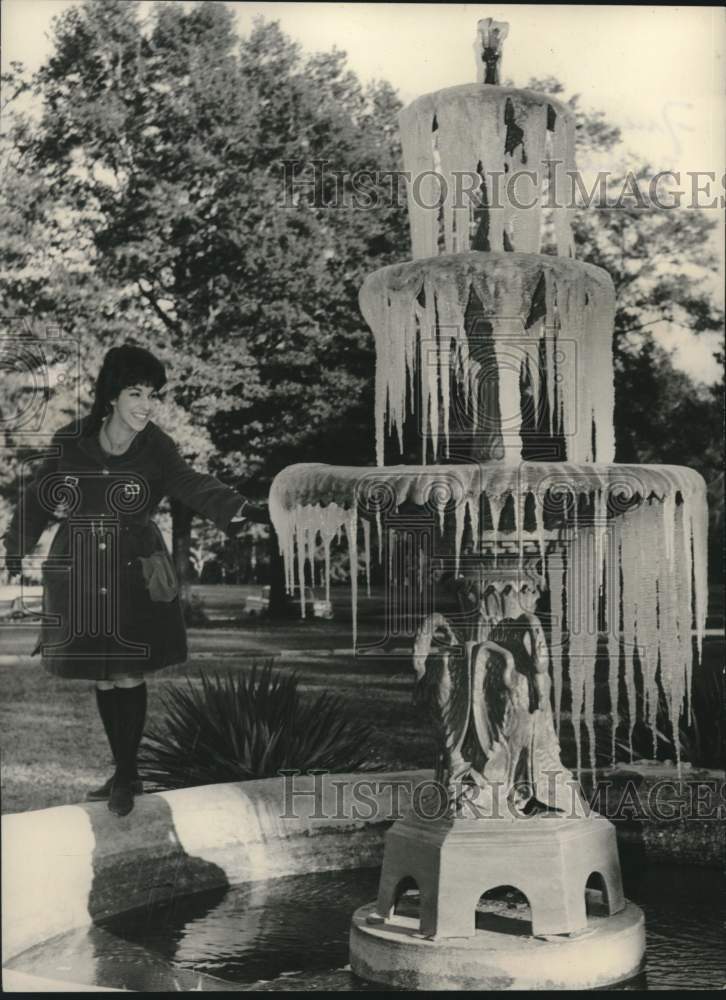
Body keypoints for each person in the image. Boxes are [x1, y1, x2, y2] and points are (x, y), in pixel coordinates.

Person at [3, 344, 269, 817]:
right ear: (112, 396)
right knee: (105, 677)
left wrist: (240, 508)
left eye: (153, 395)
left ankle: (127, 774)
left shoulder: (157, 446)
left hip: (135, 569)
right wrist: (13, 547)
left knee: (127, 669)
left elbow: (191, 483)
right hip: (84, 570)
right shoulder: (71, 442)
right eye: (136, 392)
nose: (146, 404)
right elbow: (39, 499)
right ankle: (123, 769)